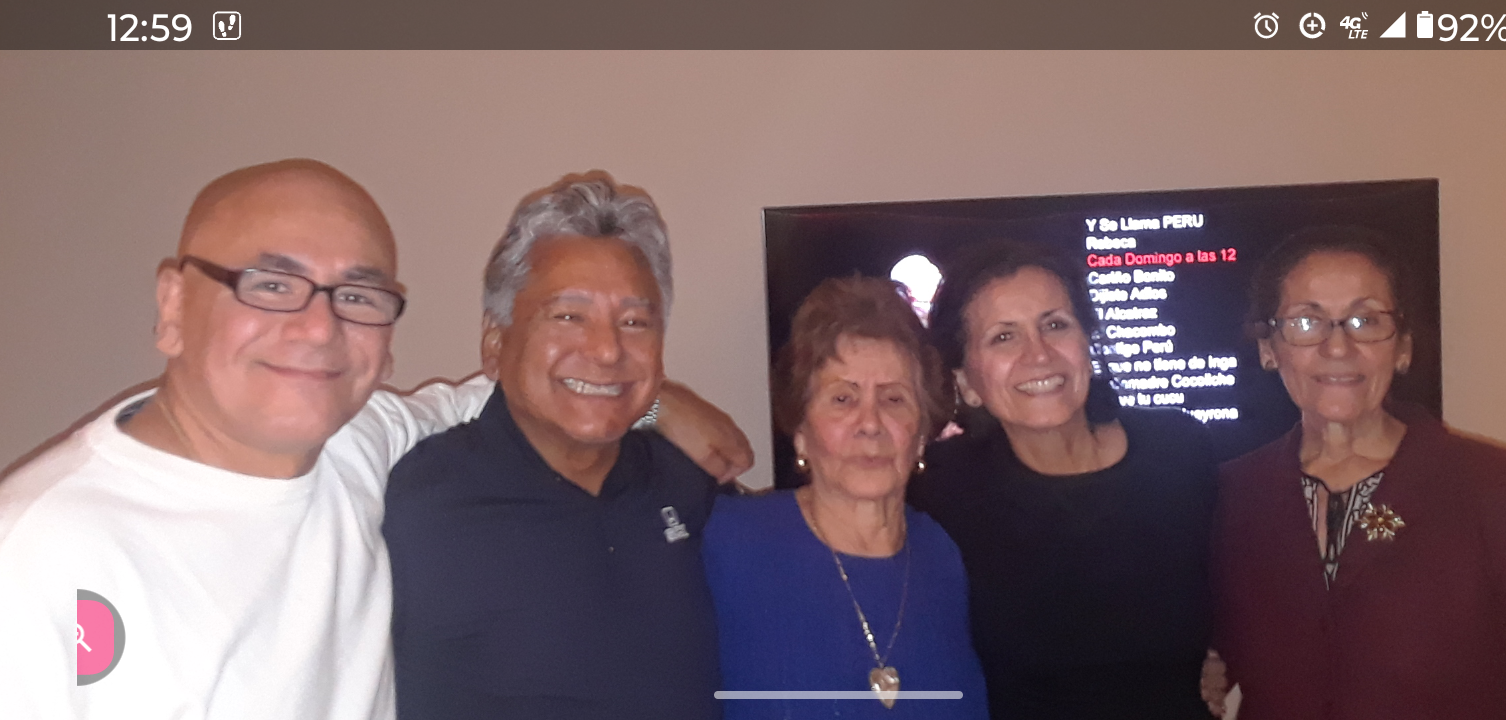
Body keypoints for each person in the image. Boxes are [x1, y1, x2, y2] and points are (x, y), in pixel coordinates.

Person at [0, 160, 751, 719]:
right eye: (269, 283)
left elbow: (552, 391)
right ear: (171, 305)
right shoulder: (36, 551)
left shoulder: (364, 449)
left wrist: (652, 405)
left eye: (356, 297)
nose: (318, 326)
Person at [1210, 225, 1506, 719]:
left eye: (1365, 320)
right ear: (1269, 348)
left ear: (1404, 348)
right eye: (1306, 323)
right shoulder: (1234, 495)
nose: (1337, 347)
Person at [382, 173, 722, 719]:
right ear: (495, 342)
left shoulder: (686, 485)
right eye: (568, 316)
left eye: (634, 322)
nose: (608, 349)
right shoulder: (412, 503)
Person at [908, 238, 1218, 719]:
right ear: (967, 382)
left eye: (1055, 325)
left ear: (1087, 345)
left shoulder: (1180, 452)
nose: (1039, 355)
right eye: (1003, 337)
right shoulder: (940, 490)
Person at [705, 276, 987, 719]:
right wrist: (657, 408)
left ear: (920, 435)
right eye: (842, 398)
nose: (870, 423)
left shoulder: (944, 558)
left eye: (894, 399)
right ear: (801, 431)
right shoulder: (727, 542)